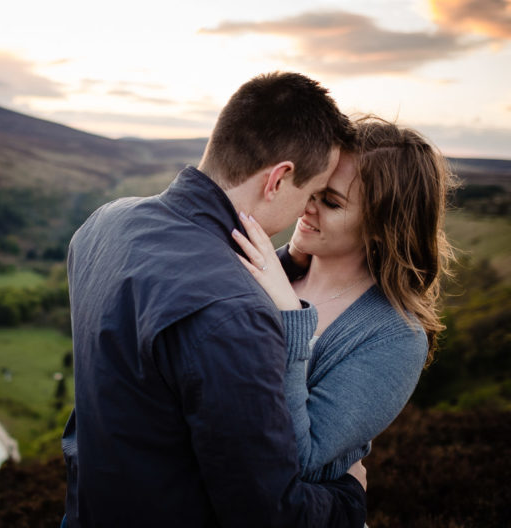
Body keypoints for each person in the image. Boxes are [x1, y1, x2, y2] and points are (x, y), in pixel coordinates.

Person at [61, 72, 368, 527]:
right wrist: (348, 497)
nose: (308, 209)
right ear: (278, 179)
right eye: (311, 193)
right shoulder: (235, 311)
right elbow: (268, 515)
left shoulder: (103, 225)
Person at [231, 116, 454, 485]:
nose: (306, 205)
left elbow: (298, 457)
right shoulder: (270, 271)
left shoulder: (396, 337)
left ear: (381, 228)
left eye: (331, 203)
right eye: (311, 188)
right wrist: (282, 264)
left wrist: (290, 317)